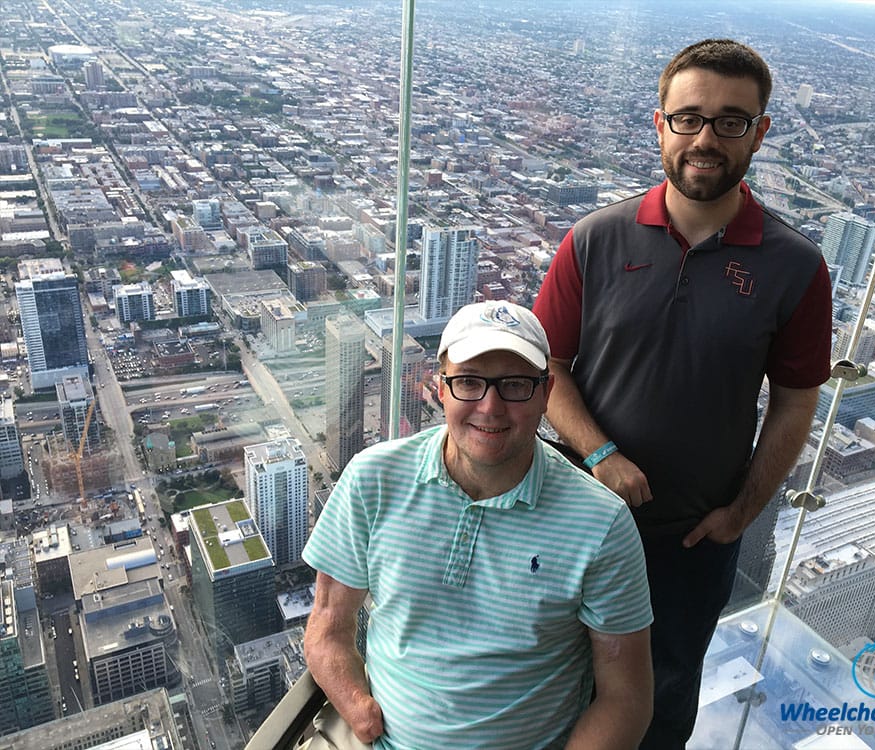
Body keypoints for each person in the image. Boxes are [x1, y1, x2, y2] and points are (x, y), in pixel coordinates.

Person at [532, 38, 833, 748]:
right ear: (660, 124)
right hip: (575, 517)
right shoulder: (594, 239)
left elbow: (795, 402)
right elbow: (547, 367)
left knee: (664, 697)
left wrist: (741, 513)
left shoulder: (796, 267)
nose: (706, 137)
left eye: (731, 120)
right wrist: (599, 451)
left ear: (760, 132)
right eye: (688, 117)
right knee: (547, 671)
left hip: (691, 541)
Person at [302, 300, 654, 750]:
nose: (490, 407)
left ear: (546, 393)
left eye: (514, 385)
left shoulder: (601, 524)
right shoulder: (373, 478)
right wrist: (359, 711)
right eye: (469, 382)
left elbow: (627, 699)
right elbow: (327, 627)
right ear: (441, 388)